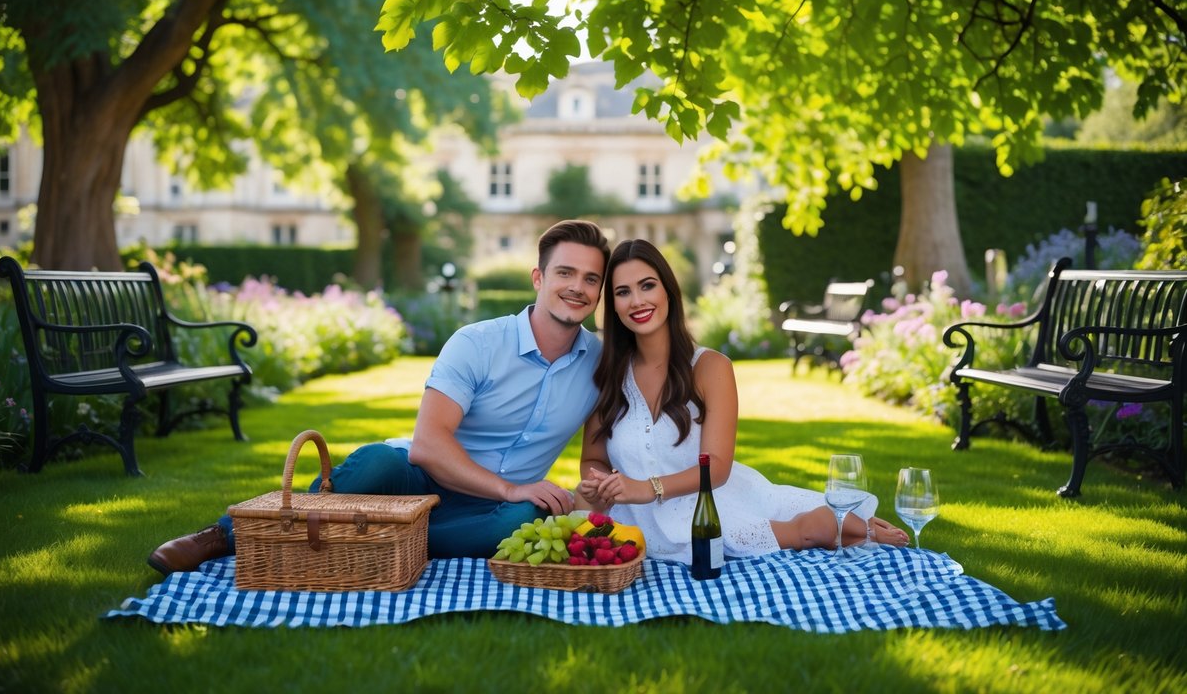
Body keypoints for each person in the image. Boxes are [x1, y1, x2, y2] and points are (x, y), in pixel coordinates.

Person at [147, 219, 611, 573]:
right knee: (377, 463)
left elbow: (596, 454)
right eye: (565, 272)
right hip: (422, 477)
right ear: (538, 277)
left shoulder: (601, 362)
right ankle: (225, 535)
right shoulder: (478, 342)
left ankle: (387, 537)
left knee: (523, 520)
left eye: (591, 279)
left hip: (493, 510)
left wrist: (590, 486)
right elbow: (429, 445)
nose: (577, 287)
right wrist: (511, 486)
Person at [576, 239, 907, 563]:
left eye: (647, 286)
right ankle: (836, 523)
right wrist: (599, 484)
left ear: (668, 292)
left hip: (709, 504)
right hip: (635, 519)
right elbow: (593, 458)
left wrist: (648, 487)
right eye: (623, 292)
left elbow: (717, 467)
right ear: (613, 306)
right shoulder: (608, 374)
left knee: (805, 532)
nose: (636, 301)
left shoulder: (710, 367)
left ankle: (837, 524)